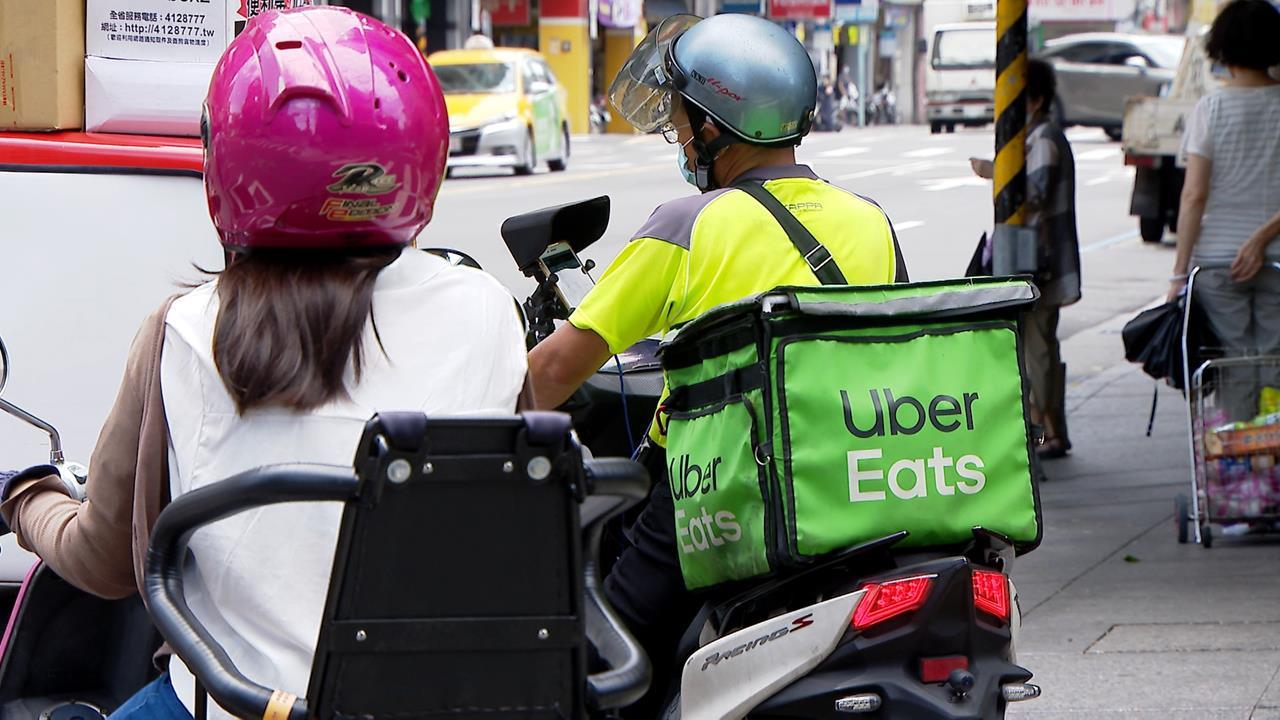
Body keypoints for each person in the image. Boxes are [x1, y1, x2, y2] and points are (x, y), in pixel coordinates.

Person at [0, 7, 528, 719]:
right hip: (447, 700)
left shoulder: (186, 329)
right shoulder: (488, 310)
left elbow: (104, 561)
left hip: (243, 706)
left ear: (232, 156)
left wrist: (25, 496)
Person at [527, 13, 907, 714]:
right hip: (854, 488)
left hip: (715, 500)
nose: (676, 132)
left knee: (595, 671)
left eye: (680, 117)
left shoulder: (686, 225)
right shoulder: (869, 219)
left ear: (713, 126)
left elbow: (550, 375)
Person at [1167, 0, 1280, 421]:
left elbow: (1194, 195)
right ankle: (1273, 465)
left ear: (1222, 48)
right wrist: (1263, 237)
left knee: (1230, 362)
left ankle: (1238, 472)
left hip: (1218, 262)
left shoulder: (1210, 110)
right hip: (1278, 260)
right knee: (1274, 361)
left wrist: (1179, 273)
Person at [971, 58, 1081, 458]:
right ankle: (1052, 429)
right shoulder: (1036, 136)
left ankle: (1048, 430)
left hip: (1041, 263)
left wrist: (994, 170)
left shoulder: (1045, 139)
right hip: (1039, 261)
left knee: (1038, 350)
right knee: (1040, 348)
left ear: (1032, 99)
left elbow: (1030, 193)